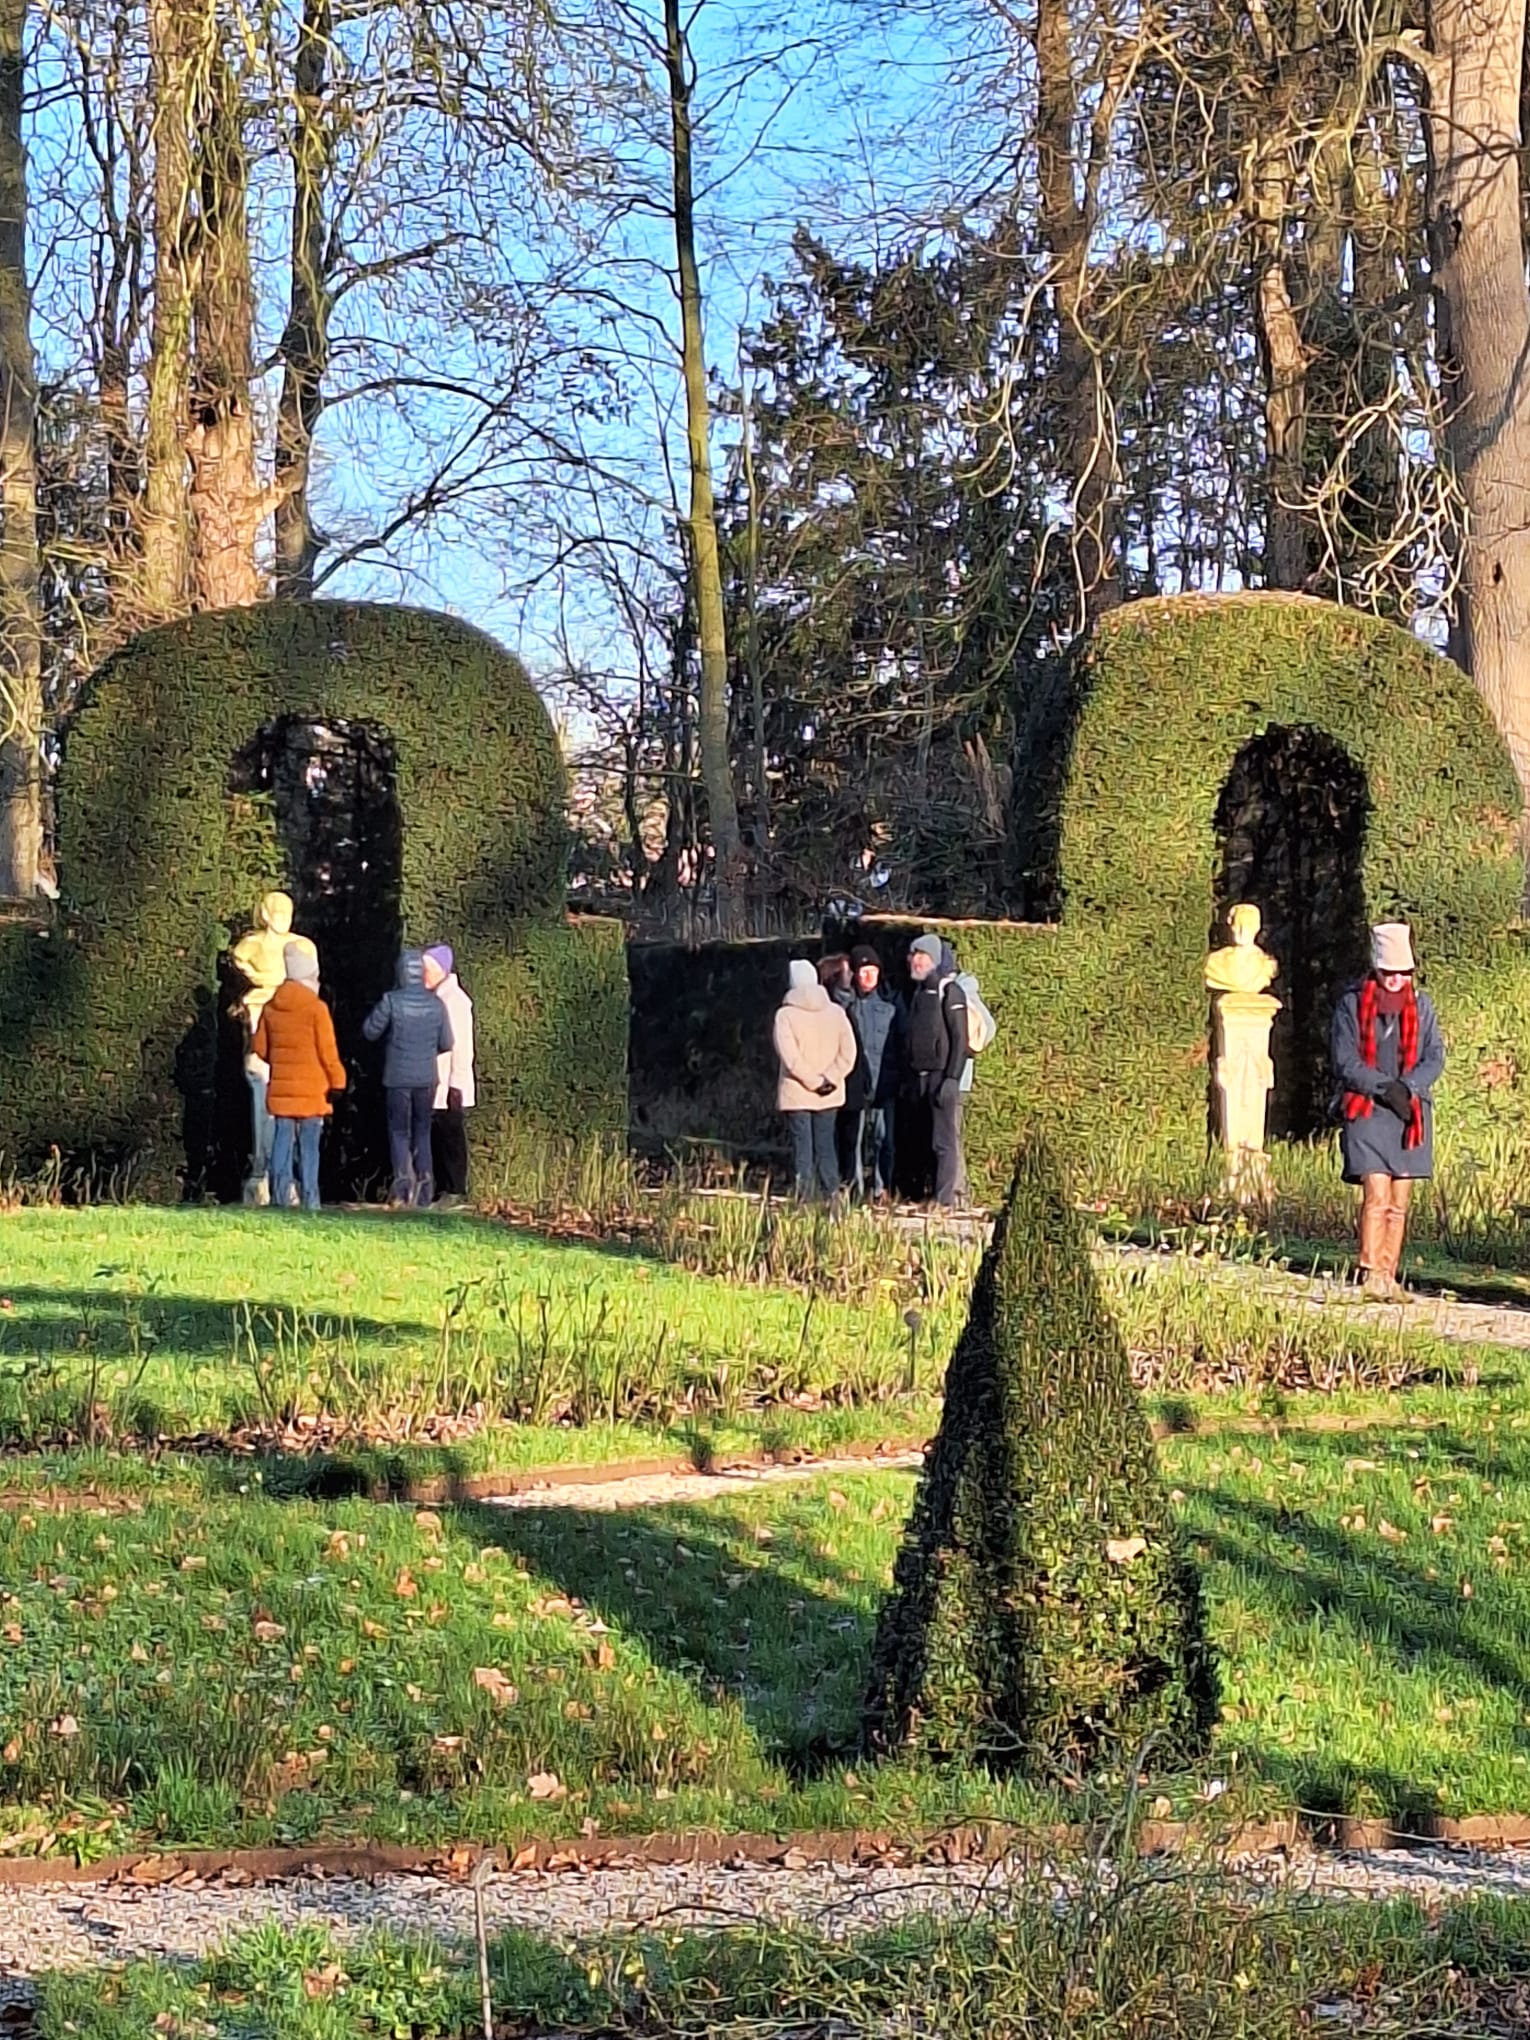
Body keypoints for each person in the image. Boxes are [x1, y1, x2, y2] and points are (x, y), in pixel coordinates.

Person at [1331, 922, 1445, 1299]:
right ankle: (1370, 1273)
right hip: (1368, 1110)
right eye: (1389, 972)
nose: (1396, 980)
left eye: (1403, 972)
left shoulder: (1422, 1007)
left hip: (1409, 1114)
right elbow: (1345, 1060)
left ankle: (1389, 1273)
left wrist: (1407, 1088)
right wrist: (1385, 1087)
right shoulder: (1351, 1004)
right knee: (1376, 1196)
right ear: (1377, 970)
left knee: (1399, 1202)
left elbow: (1434, 1057)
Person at [230, 892, 317, 1206]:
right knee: (264, 1099)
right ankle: (266, 1176)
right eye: (276, 910)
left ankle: (285, 1181)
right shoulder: (249, 947)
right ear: (264, 914)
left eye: (287, 910)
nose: (282, 915)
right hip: (261, 1013)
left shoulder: (303, 946)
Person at [249, 941, 345, 1212]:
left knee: (282, 1141)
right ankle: (311, 1199)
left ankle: (279, 1197)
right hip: (313, 1090)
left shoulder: (271, 1008)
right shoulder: (316, 1009)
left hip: (281, 1089)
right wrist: (338, 1081)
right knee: (309, 1147)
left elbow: (260, 1048)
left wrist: (281, 1062)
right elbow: (328, 1052)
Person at [364, 949, 454, 1209]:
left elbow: (370, 1031)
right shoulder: (436, 1004)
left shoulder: (391, 1001)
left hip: (398, 1077)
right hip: (426, 1077)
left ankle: (403, 1190)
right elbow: (447, 1042)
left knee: (399, 1133)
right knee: (422, 1132)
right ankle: (424, 1192)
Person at [773, 957, 857, 1200]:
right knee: (826, 1147)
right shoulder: (837, 1012)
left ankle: (805, 1200)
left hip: (798, 1093)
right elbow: (849, 1052)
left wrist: (812, 1081)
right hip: (830, 1092)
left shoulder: (785, 1015)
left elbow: (790, 1057)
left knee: (803, 1150)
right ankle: (833, 1197)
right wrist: (830, 1078)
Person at [904, 931, 969, 1210]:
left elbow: (960, 1038)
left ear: (935, 959)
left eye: (923, 956)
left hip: (941, 1076)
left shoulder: (950, 991)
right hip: (919, 1077)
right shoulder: (917, 993)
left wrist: (952, 1078)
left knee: (944, 1140)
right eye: (914, 955)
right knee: (922, 1139)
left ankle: (944, 1200)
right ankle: (923, 1194)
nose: (916, 961)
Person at [836, 944, 903, 1201]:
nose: (869, 977)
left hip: (885, 1083)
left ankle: (881, 1188)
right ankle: (854, 1188)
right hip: (856, 1084)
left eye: (873, 971)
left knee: (884, 1140)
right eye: (863, 971)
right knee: (853, 1140)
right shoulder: (847, 1003)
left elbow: (902, 1039)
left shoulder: (891, 1002)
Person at [423, 944, 475, 1205]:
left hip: (449, 1084)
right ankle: (441, 1190)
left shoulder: (456, 1002)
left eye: (427, 969)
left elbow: (462, 1046)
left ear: (441, 971)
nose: (423, 974)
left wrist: (457, 1084)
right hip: (434, 1083)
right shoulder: (434, 999)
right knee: (436, 1138)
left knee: (451, 1138)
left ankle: (455, 1191)